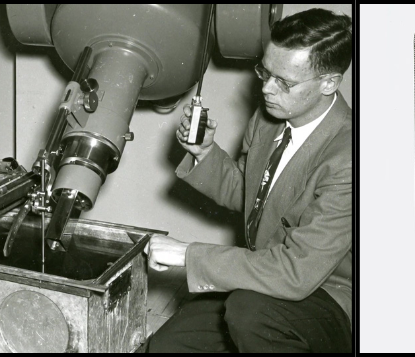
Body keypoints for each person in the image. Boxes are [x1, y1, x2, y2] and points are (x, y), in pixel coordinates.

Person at [144, 8, 353, 353]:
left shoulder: (349, 158)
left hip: (326, 295)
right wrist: (204, 153)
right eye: (265, 72)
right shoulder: (271, 118)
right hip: (262, 282)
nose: (267, 89)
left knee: (248, 313)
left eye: (284, 82)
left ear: (329, 82)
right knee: (166, 347)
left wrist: (190, 255)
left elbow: (296, 272)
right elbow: (253, 195)